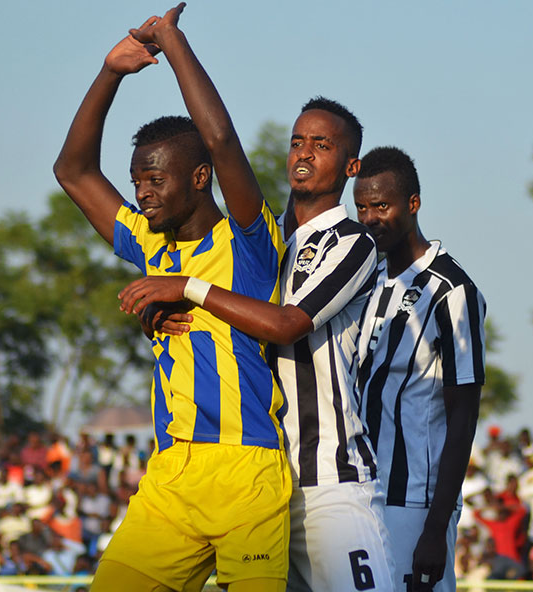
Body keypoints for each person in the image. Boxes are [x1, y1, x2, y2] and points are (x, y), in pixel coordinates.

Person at [121, 6, 394, 590]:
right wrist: (167, 314)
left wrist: (188, 289)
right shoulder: (271, 239)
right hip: (262, 474)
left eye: (322, 145)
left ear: (350, 166)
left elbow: (286, 323)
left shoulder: (354, 242)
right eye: (298, 141)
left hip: (327, 482)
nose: (304, 153)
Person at [53, 9, 289, 590]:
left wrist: (171, 41)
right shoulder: (147, 242)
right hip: (170, 475)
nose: (142, 192)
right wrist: (110, 72)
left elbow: (221, 140)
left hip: (246, 469)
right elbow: (73, 171)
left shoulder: (248, 243)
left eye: (156, 179)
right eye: (137, 180)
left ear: (201, 178)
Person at [352, 146, 486, 592]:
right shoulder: (366, 282)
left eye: (381, 206)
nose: (370, 219)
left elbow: (463, 416)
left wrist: (435, 527)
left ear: (413, 204)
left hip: (414, 501)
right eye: (362, 208)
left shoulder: (452, 291)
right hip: (361, 491)